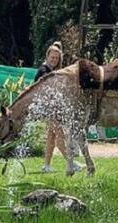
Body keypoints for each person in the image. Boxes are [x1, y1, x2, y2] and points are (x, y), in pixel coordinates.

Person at [35, 41, 81, 173]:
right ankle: (71, 163)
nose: (54, 60)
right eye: (52, 57)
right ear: (47, 56)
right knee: (60, 136)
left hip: (51, 109)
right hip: (48, 109)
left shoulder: (52, 70)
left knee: (51, 137)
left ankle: (47, 165)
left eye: (56, 58)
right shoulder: (44, 70)